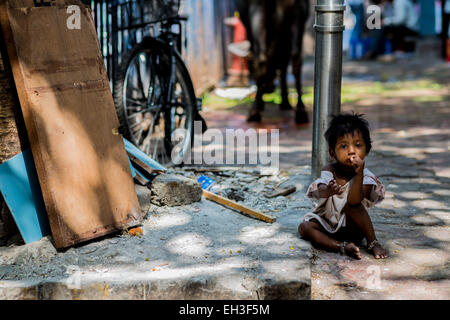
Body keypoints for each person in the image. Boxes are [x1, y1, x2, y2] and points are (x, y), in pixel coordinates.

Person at [298, 113, 388, 259]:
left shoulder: (367, 177)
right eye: (343, 146)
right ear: (332, 152)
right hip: (329, 226)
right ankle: (341, 246)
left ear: (367, 150)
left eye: (358, 145)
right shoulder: (330, 170)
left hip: (354, 228)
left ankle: (373, 243)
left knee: (352, 205)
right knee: (304, 227)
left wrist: (358, 175)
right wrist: (328, 190)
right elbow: (320, 188)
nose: (351, 151)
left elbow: (353, 201)